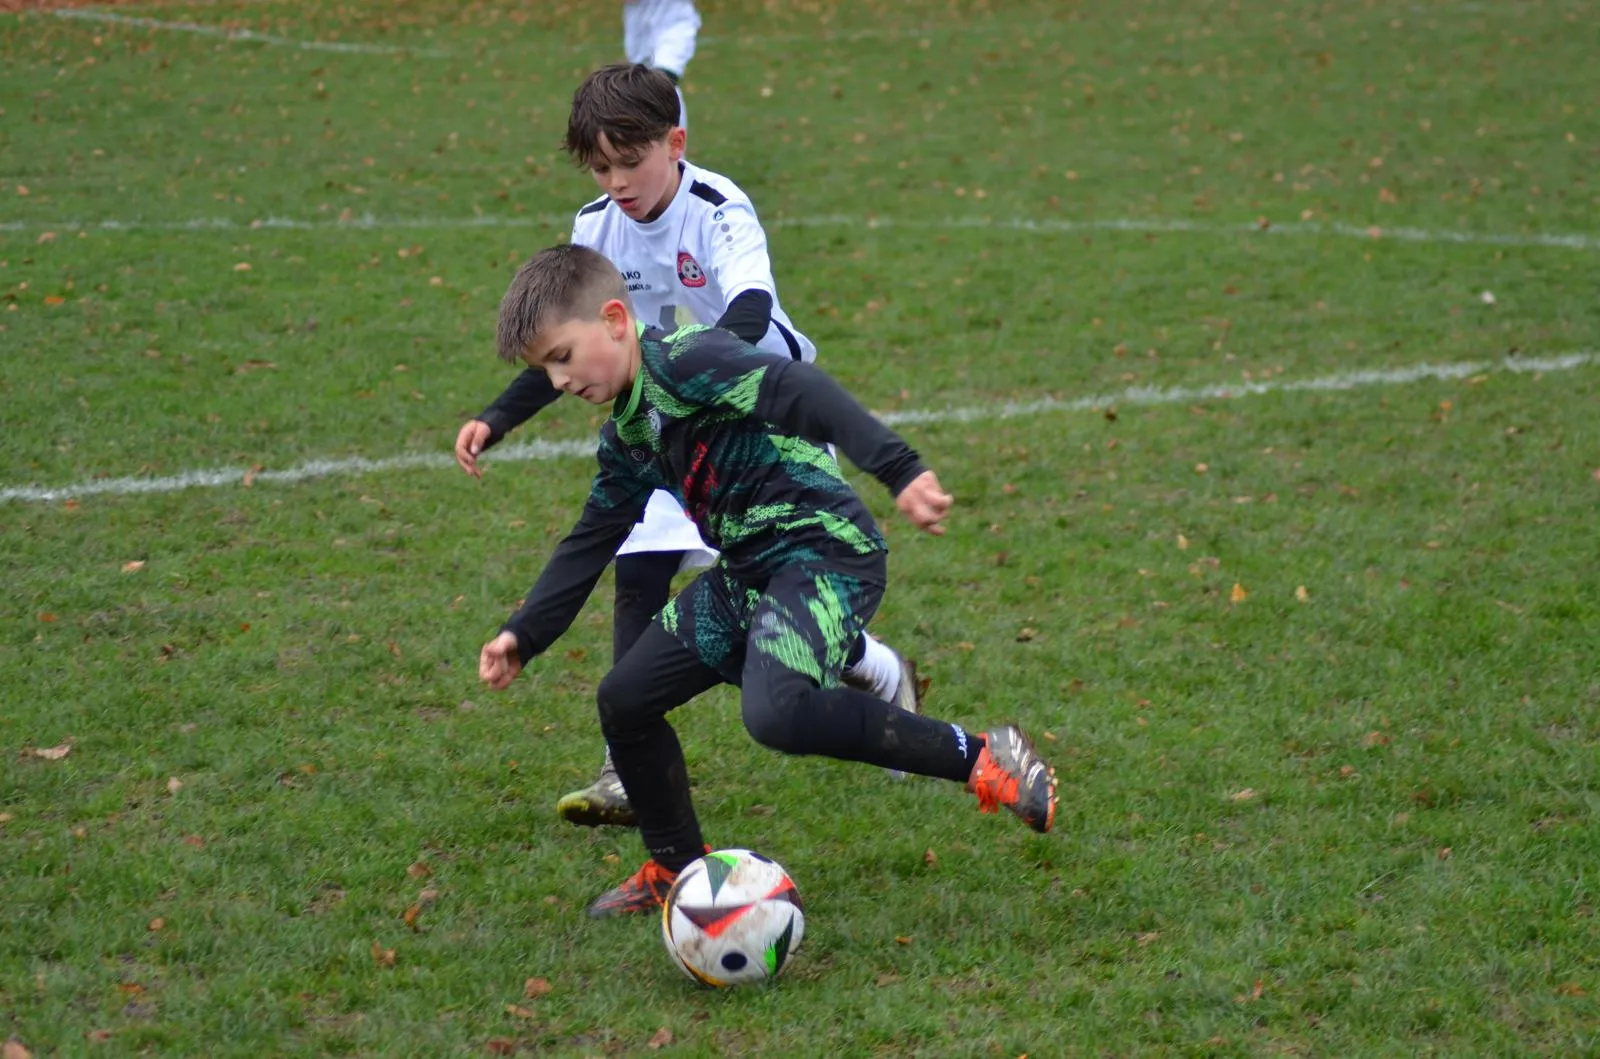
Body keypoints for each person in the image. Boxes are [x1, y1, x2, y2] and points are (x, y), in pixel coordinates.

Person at [477, 244, 1059, 918]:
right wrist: (525, 633)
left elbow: (798, 388)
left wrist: (898, 468)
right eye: (544, 369)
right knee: (624, 699)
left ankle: (984, 755)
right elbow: (591, 538)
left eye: (562, 357)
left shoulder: (689, 360)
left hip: (824, 550)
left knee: (776, 712)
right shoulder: (628, 434)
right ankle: (675, 868)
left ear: (613, 320)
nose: (556, 381)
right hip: (749, 572)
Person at [453, 63, 919, 828]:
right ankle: (623, 764)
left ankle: (875, 665)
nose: (616, 182)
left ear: (675, 144)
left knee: (776, 596)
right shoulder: (595, 225)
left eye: (629, 162)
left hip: (755, 420)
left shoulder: (719, 209)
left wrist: (689, 389)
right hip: (663, 424)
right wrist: (500, 415)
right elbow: (573, 339)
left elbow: (751, 310)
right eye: (600, 167)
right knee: (637, 567)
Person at [621, 0, 699, 127]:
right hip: (640, 31)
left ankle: (676, 137)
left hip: (675, 25)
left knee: (663, 82)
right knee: (643, 88)